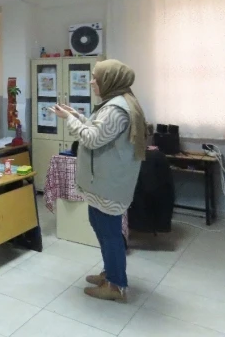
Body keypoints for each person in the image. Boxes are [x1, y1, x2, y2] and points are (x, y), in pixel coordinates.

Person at [49, 59, 146, 302]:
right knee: (101, 227)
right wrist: (76, 115)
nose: (91, 82)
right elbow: (98, 129)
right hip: (103, 183)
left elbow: (92, 139)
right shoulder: (114, 103)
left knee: (109, 233)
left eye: (96, 77)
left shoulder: (116, 109)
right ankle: (110, 273)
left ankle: (115, 285)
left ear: (110, 80)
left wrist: (68, 119)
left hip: (108, 184)